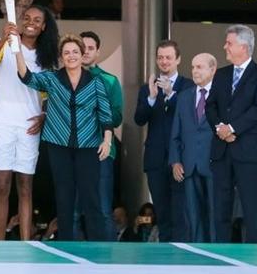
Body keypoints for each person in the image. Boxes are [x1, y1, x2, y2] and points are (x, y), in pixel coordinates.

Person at [16, 33, 113, 241]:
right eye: (67, 52)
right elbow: (27, 77)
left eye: (75, 52)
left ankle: (98, 244)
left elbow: (105, 114)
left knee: (91, 196)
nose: (71, 56)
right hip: (58, 145)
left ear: (82, 54)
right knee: (64, 195)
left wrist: (107, 140)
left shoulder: (96, 82)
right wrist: (17, 51)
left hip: (88, 145)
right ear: (61, 56)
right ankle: (66, 243)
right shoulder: (52, 79)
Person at [0, 5, 58, 240]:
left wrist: (44, 116)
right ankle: (0, 242)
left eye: (37, 20)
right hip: (3, 120)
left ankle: (25, 243)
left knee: (25, 186)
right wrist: (4, 38)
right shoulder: (6, 43)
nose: (31, 22)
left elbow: (50, 93)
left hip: (29, 123)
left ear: (44, 26)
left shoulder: (47, 57)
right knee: (2, 185)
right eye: (27, 18)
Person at [205, 24, 257, 243]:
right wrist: (220, 128)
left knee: (252, 207)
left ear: (244, 46)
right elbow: (210, 106)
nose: (225, 47)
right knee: (221, 207)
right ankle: (223, 254)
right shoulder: (221, 74)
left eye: (229, 43)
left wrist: (232, 129)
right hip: (222, 151)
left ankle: (254, 256)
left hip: (249, 152)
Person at [134, 40, 194, 242]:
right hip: (155, 159)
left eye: (168, 57)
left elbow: (190, 117)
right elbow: (139, 119)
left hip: (181, 159)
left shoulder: (188, 86)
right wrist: (151, 98)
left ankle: (182, 258)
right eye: (160, 57)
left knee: (181, 212)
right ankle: (167, 256)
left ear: (178, 59)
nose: (164, 61)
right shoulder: (147, 88)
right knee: (162, 212)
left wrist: (171, 94)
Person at [72, 31, 123, 241]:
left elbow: (118, 116)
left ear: (98, 52)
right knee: (72, 213)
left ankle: (106, 265)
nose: (86, 51)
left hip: (102, 151)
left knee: (102, 210)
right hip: (72, 152)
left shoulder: (109, 80)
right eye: (82, 47)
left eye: (90, 48)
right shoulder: (64, 79)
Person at [169, 53, 217, 242]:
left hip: (214, 164)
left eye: (200, 67)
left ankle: (218, 256)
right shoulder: (184, 97)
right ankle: (199, 254)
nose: (195, 71)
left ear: (212, 69)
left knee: (215, 214)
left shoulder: (222, 95)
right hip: (189, 165)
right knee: (193, 216)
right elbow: (176, 133)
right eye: (193, 67)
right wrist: (175, 161)